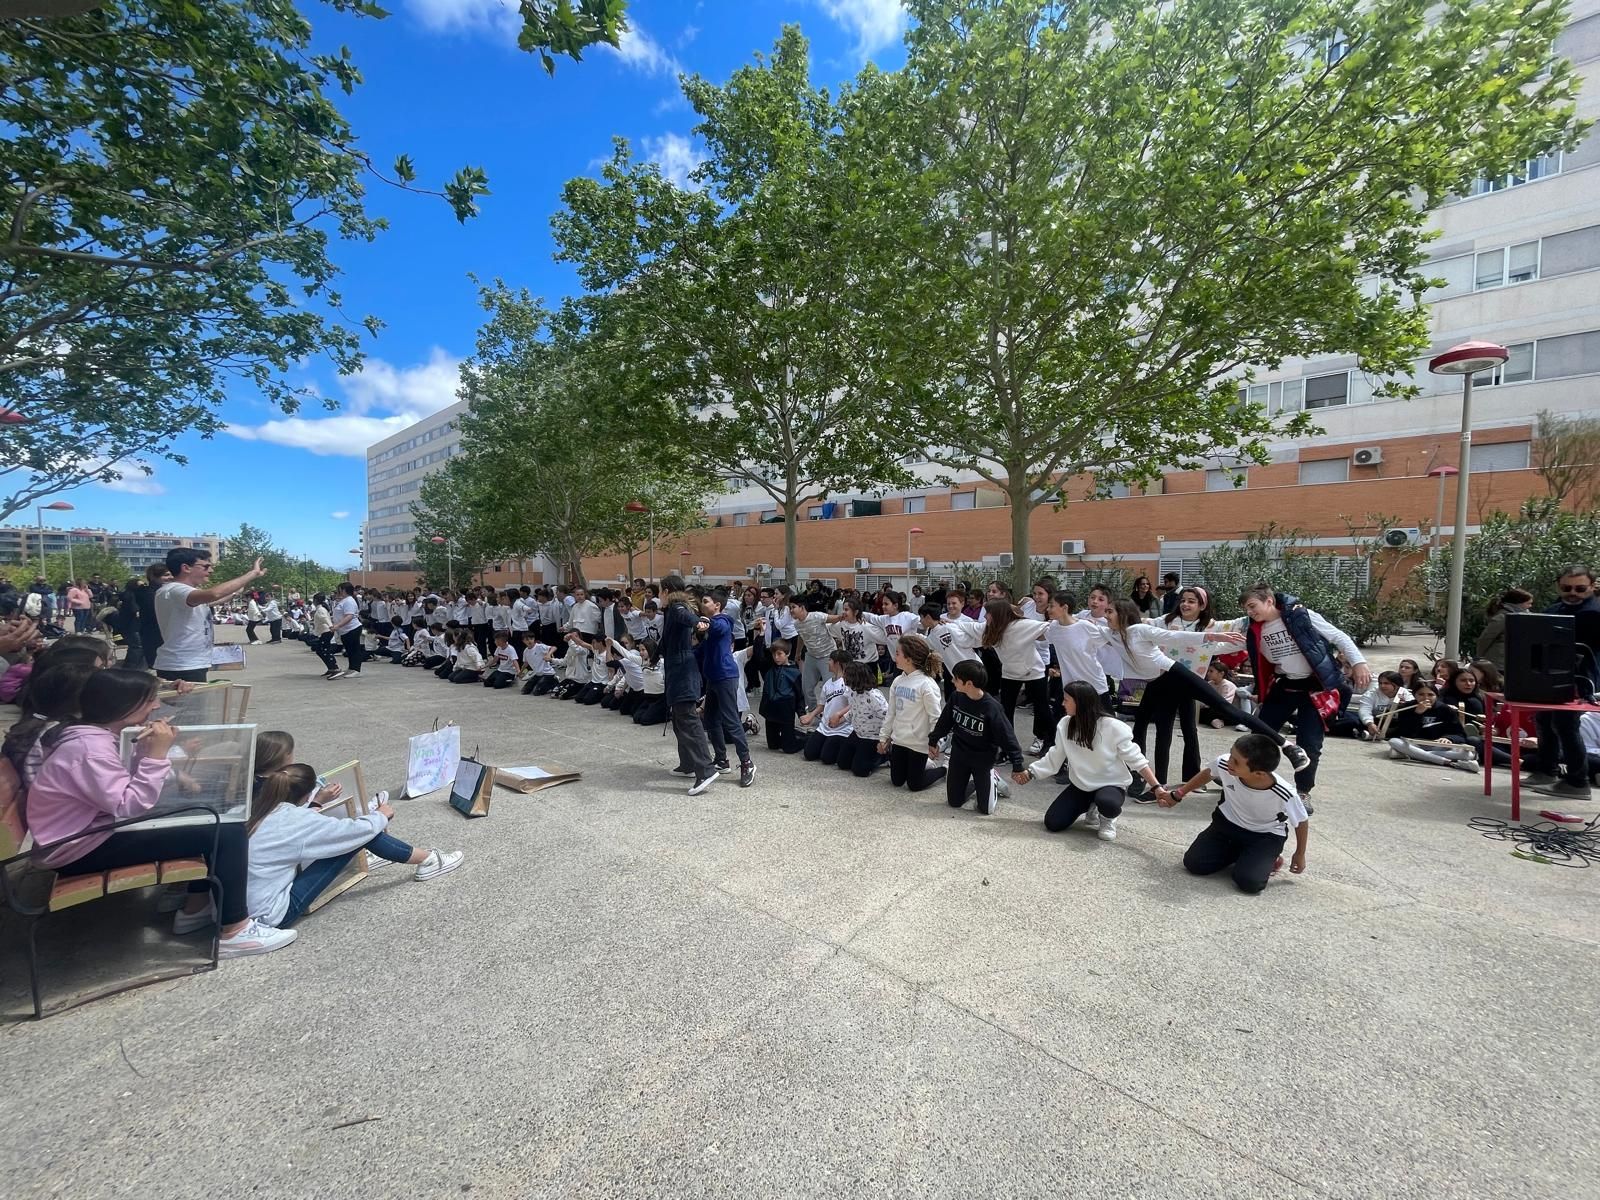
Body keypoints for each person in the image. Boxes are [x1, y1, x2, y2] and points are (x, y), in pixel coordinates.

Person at [25, 669, 295, 956]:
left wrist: (146, 750)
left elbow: (120, 787)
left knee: (208, 814)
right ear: (123, 706)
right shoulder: (89, 749)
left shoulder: (94, 736)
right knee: (227, 832)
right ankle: (235, 930)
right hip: (79, 848)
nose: (155, 707)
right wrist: (156, 755)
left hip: (88, 833)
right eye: (149, 700)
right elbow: (129, 804)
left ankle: (196, 908)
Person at [246, 761, 462, 927]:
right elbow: (354, 832)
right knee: (359, 837)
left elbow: (299, 822)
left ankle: (401, 858)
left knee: (351, 836)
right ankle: (429, 860)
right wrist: (381, 816)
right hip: (273, 914)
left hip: (240, 911)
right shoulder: (299, 820)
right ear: (304, 796)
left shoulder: (261, 809)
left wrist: (317, 803)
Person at [1210, 586, 1369, 806]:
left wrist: (1359, 662)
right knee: (1258, 734)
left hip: (1316, 687)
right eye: (1246, 608)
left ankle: (1303, 792)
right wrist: (1195, 644)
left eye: (1253, 606)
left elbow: (1338, 636)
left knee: (1310, 742)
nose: (1250, 612)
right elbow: (1225, 639)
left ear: (1269, 601)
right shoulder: (1253, 628)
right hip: (1285, 685)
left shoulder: (1301, 615)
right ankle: (1238, 776)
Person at [1161, 734, 1309, 894]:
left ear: (1259, 773)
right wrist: (1179, 794)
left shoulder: (1285, 792)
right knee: (1194, 864)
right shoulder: (1225, 764)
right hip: (1226, 825)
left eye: (1236, 762)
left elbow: (1301, 821)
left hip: (1264, 836)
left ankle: (1264, 857)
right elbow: (1208, 773)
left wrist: (1299, 854)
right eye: (1231, 754)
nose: (1229, 762)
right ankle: (1244, 855)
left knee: (1249, 882)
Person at [1016, 681, 1160, 840]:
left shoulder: (1113, 727)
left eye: (1066, 700)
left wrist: (1157, 787)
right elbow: (1055, 756)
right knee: (1053, 822)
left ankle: (1107, 817)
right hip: (1082, 785)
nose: (1062, 703)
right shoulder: (1065, 724)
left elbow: (1138, 761)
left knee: (1107, 802)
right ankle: (1092, 805)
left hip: (1110, 784)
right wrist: (1031, 772)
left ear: (1080, 702)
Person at [1523, 565, 1600, 800]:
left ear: (1592, 587)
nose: (1573, 593)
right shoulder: (1555, 609)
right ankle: (1547, 770)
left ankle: (1578, 781)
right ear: (1559, 585)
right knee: (1544, 719)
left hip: (1579, 680)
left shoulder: (1594, 613)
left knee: (1566, 725)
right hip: (1549, 677)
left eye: (1580, 588)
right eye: (1567, 588)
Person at [153, 548, 265, 684]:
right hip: (182, 666)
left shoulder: (186, 593)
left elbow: (214, 599)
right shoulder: (175, 589)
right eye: (206, 566)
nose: (210, 571)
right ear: (186, 568)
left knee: (193, 705)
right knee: (190, 705)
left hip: (189, 664)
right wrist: (252, 573)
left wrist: (237, 589)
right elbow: (214, 594)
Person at [930, 660, 1022, 816]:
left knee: (985, 810)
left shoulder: (992, 707)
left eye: (956, 679)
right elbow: (944, 721)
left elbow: (1007, 736)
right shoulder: (956, 697)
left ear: (969, 684)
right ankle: (977, 785)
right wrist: (933, 740)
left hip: (982, 758)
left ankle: (992, 779)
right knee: (954, 802)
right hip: (960, 754)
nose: (952, 681)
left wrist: (1017, 763)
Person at [660, 576, 718, 795]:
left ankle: (705, 769)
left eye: (659, 591)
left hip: (683, 671)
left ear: (666, 591)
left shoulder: (677, 608)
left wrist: (698, 623)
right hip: (678, 670)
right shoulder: (671, 610)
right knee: (679, 719)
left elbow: (688, 617)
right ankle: (688, 764)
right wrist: (654, 657)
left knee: (688, 720)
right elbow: (666, 641)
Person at [698, 591, 755, 787]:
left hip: (725, 676)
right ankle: (721, 760)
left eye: (706, 601)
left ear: (717, 606)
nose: (702, 603)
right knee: (711, 718)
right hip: (713, 678)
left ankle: (747, 762)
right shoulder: (708, 625)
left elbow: (720, 627)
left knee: (731, 721)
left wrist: (706, 622)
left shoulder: (723, 621)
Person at [877, 634, 947, 792]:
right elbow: (891, 712)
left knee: (914, 785)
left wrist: (934, 743)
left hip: (919, 744)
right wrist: (884, 737)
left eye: (897, 653)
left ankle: (944, 769)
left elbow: (935, 717)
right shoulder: (897, 681)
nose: (895, 655)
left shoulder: (926, 684)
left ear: (909, 659)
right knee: (897, 781)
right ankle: (922, 764)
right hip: (899, 741)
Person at [1386, 681, 1477, 771]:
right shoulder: (1407, 707)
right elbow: (1405, 733)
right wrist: (1417, 714)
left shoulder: (1445, 709)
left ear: (1436, 696)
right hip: (1415, 744)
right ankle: (1447, 762)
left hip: (1439, 746)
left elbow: (1460, 734)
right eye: (1421, 694)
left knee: (1468, 754)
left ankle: (1414, 755)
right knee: (1394, 741)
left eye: (1430, 695)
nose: (1426, 698)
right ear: (1414, 695)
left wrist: (1449, 738)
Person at [839, 661, 890, 777]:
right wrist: (841, 719)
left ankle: (884, 757)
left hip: (872, 737)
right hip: (857, 733)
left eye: (846, 675)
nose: (843, 677)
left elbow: (888, 717)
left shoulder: (874, 696)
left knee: (860, 771)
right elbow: (854, 710)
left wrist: (885, 740)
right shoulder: (852, 692)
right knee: (843, 763)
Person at [1475, 588, 1533, 672]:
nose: (1530, 606)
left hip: (1514, 662)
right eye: (1528, 603)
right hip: (1499, 663)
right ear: (1518, 603)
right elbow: (1486, 638)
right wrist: (1479, 657)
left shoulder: (1523, 617)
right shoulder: (1503, 617)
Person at [329, 582, 364, 678]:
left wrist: (338, 626)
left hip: (352, 628)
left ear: (343, 590)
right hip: (345, 630)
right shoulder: (344, 600)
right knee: (349, 649)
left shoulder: (349, 601)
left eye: (339, 589)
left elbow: (349, 616)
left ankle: (356, 669)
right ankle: (351, 667)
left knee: (354, 649)